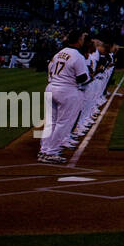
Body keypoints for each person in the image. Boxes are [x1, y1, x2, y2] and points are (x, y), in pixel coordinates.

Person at [37, 30, 90, 164]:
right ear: (78, 40)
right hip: (67, 91)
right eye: (82, 38)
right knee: (63, 124)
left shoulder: (58, 53)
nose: (83, 41)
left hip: (51, 87)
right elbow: (83, 78)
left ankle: (44, 150)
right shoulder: (77, 56)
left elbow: (49, 69)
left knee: (50, 122)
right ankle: (51, 152)